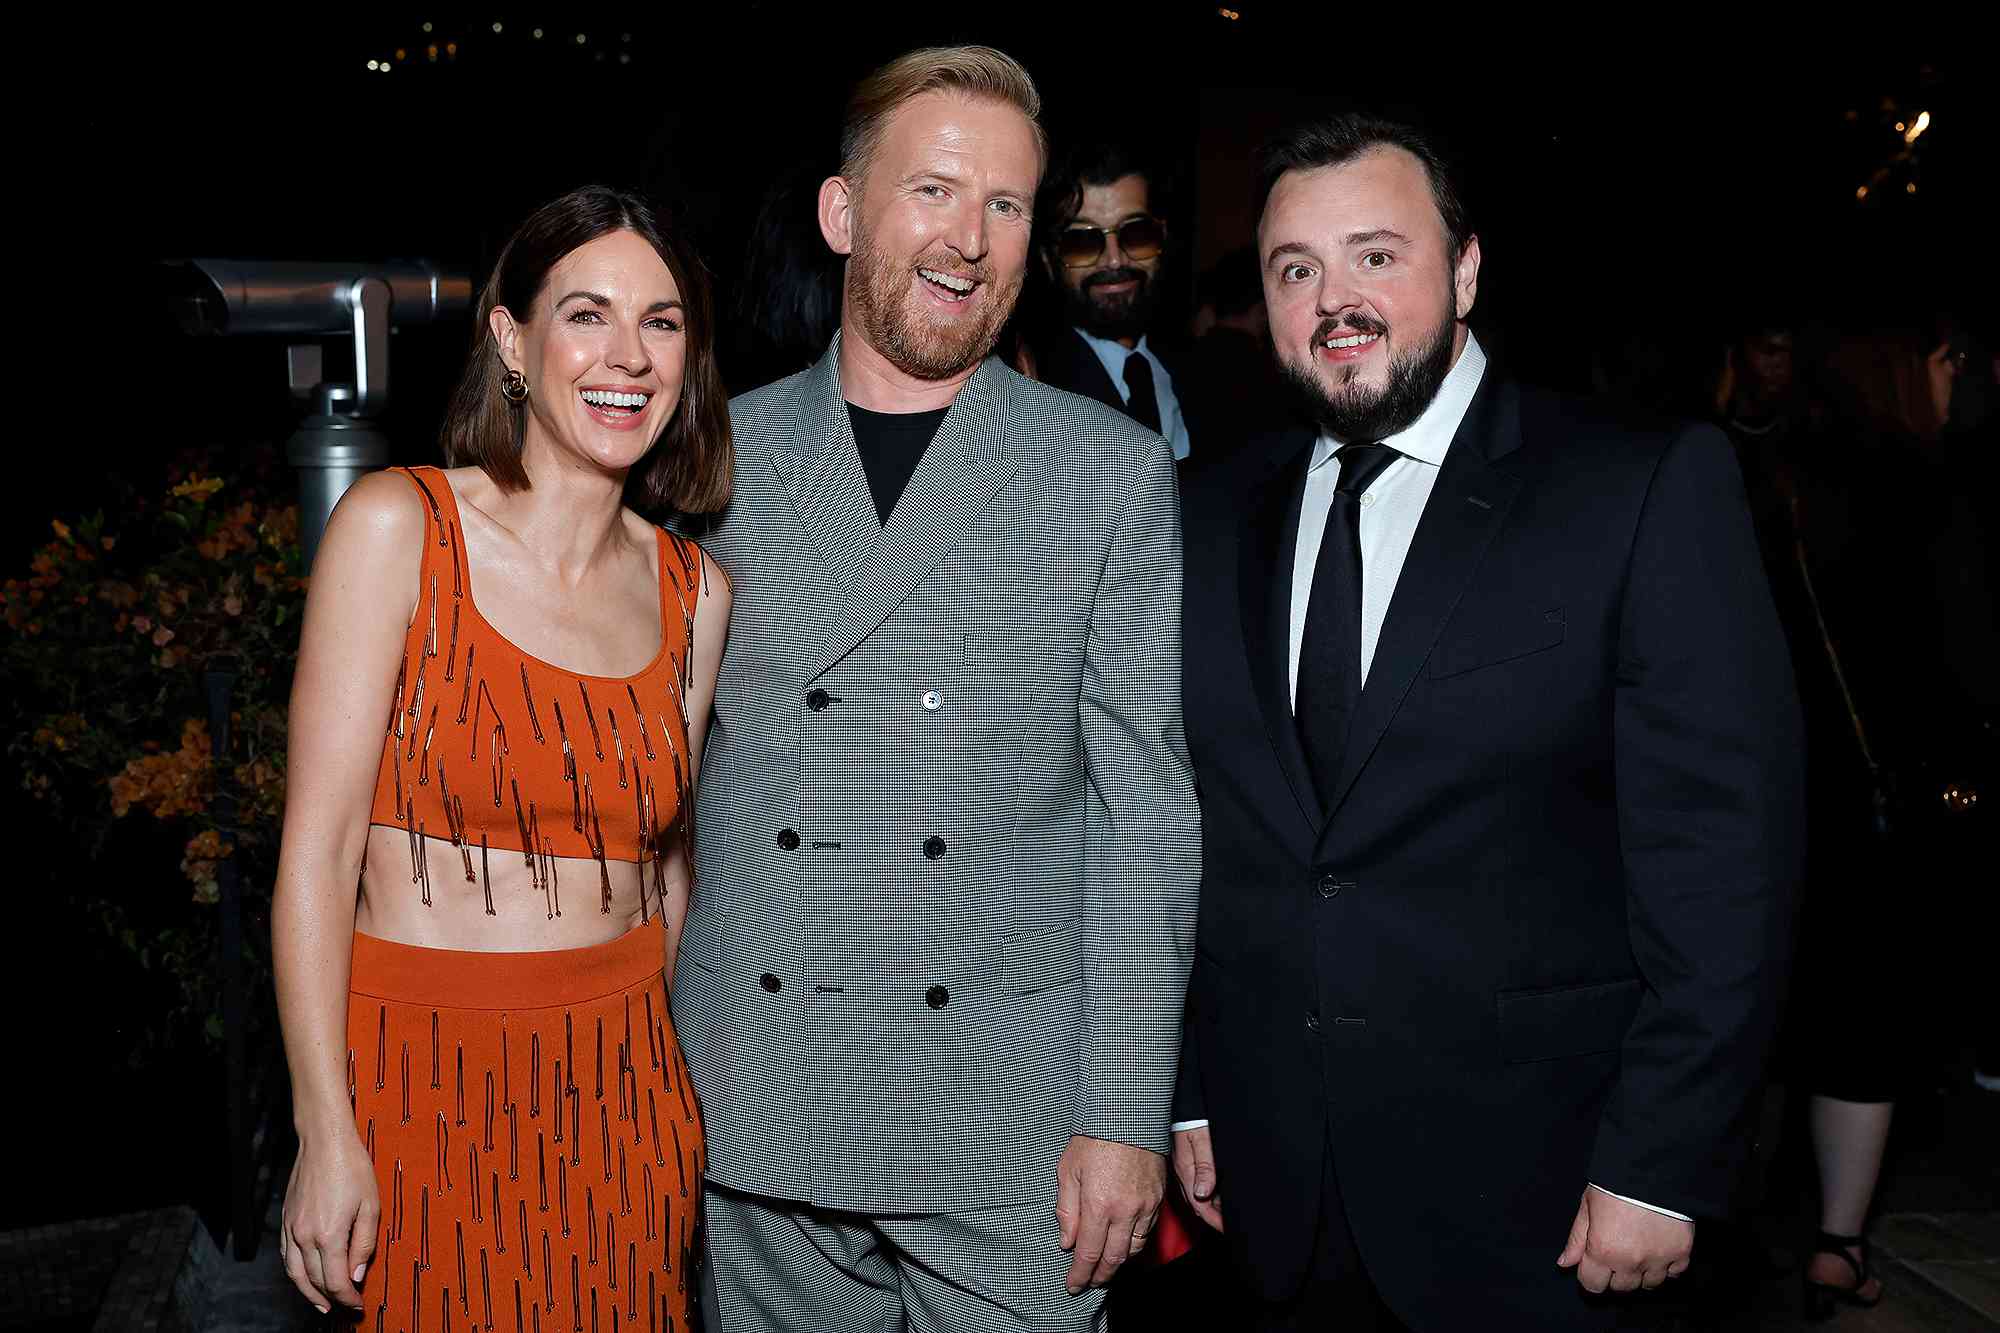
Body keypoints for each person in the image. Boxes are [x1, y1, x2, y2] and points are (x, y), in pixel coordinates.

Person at [1173, 113, 1803, 1331]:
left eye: (1374, 255)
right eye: (1292, 268)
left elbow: (1725, 857)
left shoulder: (1635, 486)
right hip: (1268, 1190)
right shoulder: (1206, 509)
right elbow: (1180, 823)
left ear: (1464, 268)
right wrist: (1191, 1088)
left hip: (1540, 1199)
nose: (1331, 300)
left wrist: (1660, 1157)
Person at [679, 46, 1200, 1333]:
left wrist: (1124, 1116)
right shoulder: (715, 457)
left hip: (1002, 1117)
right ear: (842, 213)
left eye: (1006, 206)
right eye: (932, 191)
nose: (968, 240)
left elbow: (1145, 824)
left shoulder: (1106, 473)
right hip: (762, 1093)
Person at [270, 185, 732, 1329]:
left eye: (662, 323)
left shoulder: (695, 595)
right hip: (417, 1082)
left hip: (625, 1091)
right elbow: (318, 858)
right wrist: (326, 1128)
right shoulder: (396, 529)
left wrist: (651, 1066)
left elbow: (668, 869)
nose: (628, 356)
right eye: (587, 314)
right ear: (512, 340)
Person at [1769, 326, 1990, 1319]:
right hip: (1878, 802)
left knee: (1771, 1017)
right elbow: (1964, 662)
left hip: (1770, 798)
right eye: (1943, 361)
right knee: (1862, 1026)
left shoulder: (1765, 475)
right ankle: (1835, 1240)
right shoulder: (1927, 490)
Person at [1023, 138, 1193, 461]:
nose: (1114, 261)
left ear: (1162, 238)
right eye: (1081, 242)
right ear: (1048, 259)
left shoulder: (1209, 380)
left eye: (1136, 233)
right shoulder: (1027, 392)